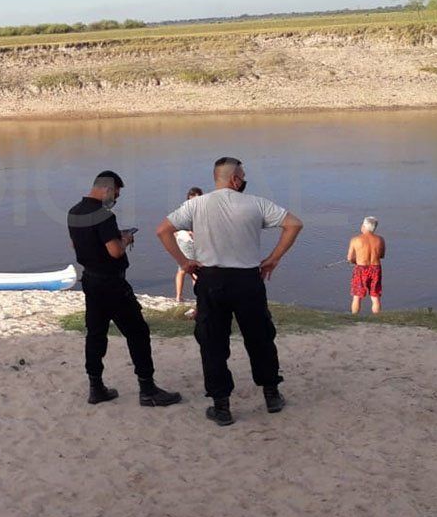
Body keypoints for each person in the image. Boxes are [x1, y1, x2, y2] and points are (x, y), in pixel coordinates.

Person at [156, 157, 303, 427]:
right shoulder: (256, 203)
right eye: (243, 175)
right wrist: (273, 258)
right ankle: (271, 394)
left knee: (213, 342)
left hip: (211, 279)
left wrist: (184, 262)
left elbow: (163, 230)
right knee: (259, 337)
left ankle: (221, 405)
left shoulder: (196, 204)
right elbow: (294, 224)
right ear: (235, 179)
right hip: (248, 280)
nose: (245, 180)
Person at [67, 171, 182, 407]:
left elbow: (76, 242)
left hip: (90, 279)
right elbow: (115, 251)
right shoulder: (103, 215)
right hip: (111, 282)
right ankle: (148, 389)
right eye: (116, 194)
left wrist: (112, 237)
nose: (116, 199)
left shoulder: (74, 212)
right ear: (107, 189)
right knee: (138, 332)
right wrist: (126, 238)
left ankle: (95, 386)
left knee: (96, 333)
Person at [347, 216, 385, 314]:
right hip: (375, 268)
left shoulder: (355, 239)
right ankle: (377, 319)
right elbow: (381, 255)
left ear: (363, 226)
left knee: (357, 296)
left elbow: (350, 258)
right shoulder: (380, 240)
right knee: (375, 296)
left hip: (360, 269)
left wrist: (355, 261)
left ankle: (354, 318)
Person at [173, 187, 204, 302]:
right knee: (184, 269)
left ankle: (198, 297)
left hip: (195, 242)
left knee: (195, 269)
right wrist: (187, 232)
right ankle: (178, 296)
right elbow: (174, 226)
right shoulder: (186, 209)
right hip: (186, 241)